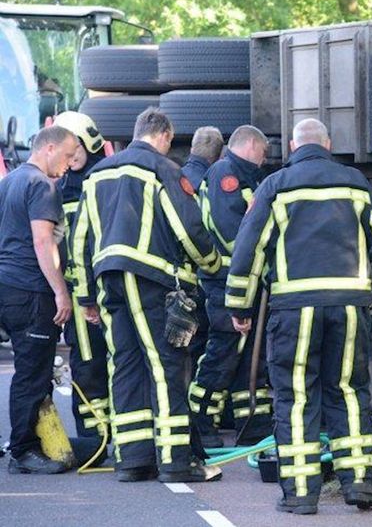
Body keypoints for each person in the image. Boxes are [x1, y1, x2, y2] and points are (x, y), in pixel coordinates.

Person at [225, 118, 372, 515]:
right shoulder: (355, 183)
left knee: (295, 398)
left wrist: (240, 305)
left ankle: (301, 494)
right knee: (350, 392)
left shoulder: (276, 186)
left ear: (292, 146)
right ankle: (360, 484)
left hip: (294, 310)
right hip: (349, 307)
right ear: (327, 143)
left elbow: (249, 249)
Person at [71, 108, 222, 483]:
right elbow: (187, 227)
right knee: (165, 363)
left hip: (108, 278)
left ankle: (134, 458)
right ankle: (175, 461)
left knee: (124, 363)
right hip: (151, 278)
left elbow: (80, 241)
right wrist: (213, 263)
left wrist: (86, 296)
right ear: (165, 136)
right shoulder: (165, 170)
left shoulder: (96, 174)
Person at [0, 124, 80, 474]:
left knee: (27, 372)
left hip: (6, 286)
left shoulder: (9, 182)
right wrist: (61, 291)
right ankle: (23, 450)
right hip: (32, 290)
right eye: (67, 155)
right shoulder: (42, 185)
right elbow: (43, 243)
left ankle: (21, 445)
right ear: (48, 148)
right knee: (32, 374)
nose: (70, 164)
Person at [188, 125, 272, 448]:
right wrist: (262, 256)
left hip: (242, 281)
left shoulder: (246, 177)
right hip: (225, 282)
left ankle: (252, 421)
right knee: (222, 352)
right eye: (263, 152)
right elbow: (230, 232)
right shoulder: (226, 174)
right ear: (251, 144)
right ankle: (200, 420)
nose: (264, 160)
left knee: (248, 352)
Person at [53, 112, 111, 443]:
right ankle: (93, 437)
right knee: (87, 366)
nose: (70, 158)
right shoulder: (58, 191)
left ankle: (124, 435)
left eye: (75, 151)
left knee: (119, 362)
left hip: (109, 288)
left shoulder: (104, 181)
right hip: (78, 295)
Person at [180, 125, 223, 367]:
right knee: (204, 341)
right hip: (205, 275)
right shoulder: (211, 183)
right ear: (218, 155)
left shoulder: (174, 175)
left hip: (178, 277)